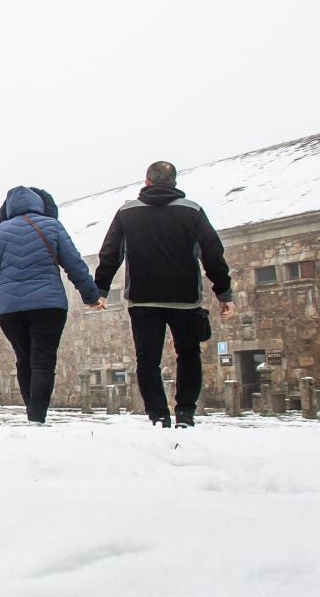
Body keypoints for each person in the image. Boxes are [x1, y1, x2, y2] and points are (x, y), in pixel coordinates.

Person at [93, 161, 233, 427]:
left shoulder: (127, 212)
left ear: (146, 182)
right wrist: (223, 292)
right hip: (185, 298)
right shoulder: (192, 211)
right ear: (175, 183)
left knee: (148, 360)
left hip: (143, 298)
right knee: (189, 355)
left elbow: (111, 253)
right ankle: (185, 414)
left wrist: (100, 290)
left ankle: (158, 415)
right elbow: (213, 252)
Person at [0, 185, 104, 422]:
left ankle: (32, 414)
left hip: (10, 310)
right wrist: (91, 296)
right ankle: (38, 416)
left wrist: (3, 288)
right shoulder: (52, 226)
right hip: (49, 306)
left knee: (24, 360)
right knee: (43, 361)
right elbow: (74, 264)